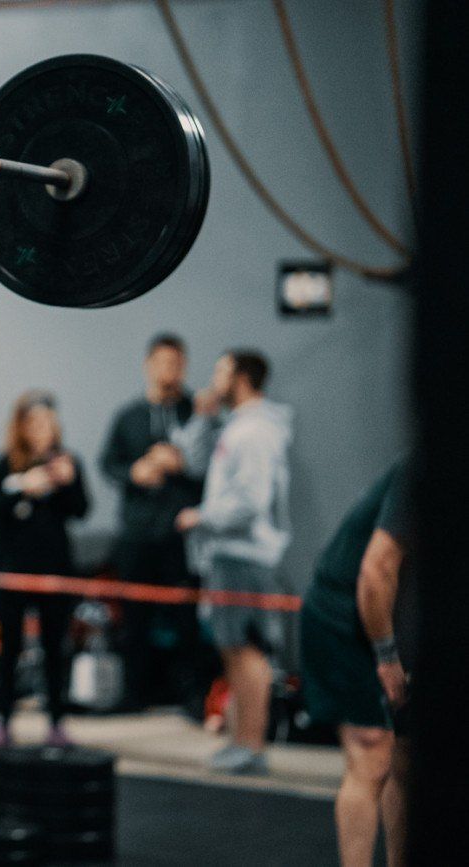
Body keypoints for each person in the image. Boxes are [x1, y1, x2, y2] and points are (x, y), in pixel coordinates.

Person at [175, 350, 292, 775]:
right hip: (229, 555)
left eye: (221, 370)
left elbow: (250, 500)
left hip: (244, 556)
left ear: (241, 377)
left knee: (246, 652)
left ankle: (252, 746)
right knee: (234, 650)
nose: (213, 378)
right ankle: (242, 741)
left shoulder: (255, 432)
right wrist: (203, 418)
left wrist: (200, 517)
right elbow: (192, 459)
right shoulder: (236, 427)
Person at [300, 459, 415, 867]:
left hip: (392, 613)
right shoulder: (427, 468)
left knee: (405, 756)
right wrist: (386, 655)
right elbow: (376, 569)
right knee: (372, 751)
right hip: (343, 614)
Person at [99, 333, 205, 711]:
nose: (168, 371)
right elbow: (108, 463)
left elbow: (215, 467)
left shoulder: (198, 414)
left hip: (182, 535)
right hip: (138, 534)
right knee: (135, 619)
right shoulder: (129, 416)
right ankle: (134, 694)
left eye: (175, 363)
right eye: (162, 362)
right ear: (148, 366)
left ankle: (192, 696)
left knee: (187, 619)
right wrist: (136, 471)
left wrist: (182, 464)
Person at [0, 391, 88, 748]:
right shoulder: (6, 464)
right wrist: (23, 488)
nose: (42, 429)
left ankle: (57, 722)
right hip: (14, 572)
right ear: (22, 427)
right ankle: (3, 721)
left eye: (47, 422)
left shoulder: (66, 463)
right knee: (9, 649)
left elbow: (81, 509)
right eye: (34, 423)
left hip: (55, 572)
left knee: (54, 649)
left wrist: (67, 481)